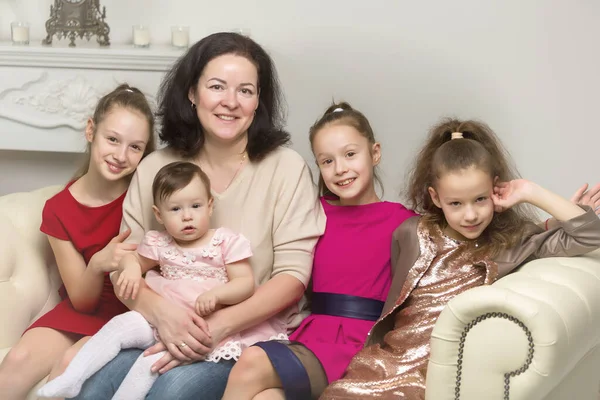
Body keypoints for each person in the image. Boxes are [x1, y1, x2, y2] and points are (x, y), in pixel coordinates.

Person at [71, 32, 326, 400]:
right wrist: (162, 314)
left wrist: (217, 326)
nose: (230, 102)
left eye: (246, 91)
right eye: (217, 86)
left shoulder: (286, 168)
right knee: (94, 387)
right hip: (162, 325)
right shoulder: (155, 168)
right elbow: (126, 263)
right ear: (192, 93)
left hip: (246, 335)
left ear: (258, 101)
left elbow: (292, 277)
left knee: (171, 391)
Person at [319, 118, 600, 399]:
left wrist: (530, 192)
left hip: (435, 376)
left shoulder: (513, 243)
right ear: (436, 197)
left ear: (496, 189)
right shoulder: (411, 232)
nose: (470, 215)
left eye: (480, 199)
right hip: (384, 363)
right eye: (456, 203)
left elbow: (592, 236)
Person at [38, 161, 289, 399]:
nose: (187, 216)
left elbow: (245, 283)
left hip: (206, 325)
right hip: (161, 320)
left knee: (150, 364)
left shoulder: (225, 241)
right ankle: (72, 378)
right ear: (159, 215)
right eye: (176, 209)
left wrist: (218, 295)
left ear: (210, 206)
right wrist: (131, 268)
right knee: (120, 326)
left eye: (195, 206)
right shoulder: (159, 243)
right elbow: (133, 259)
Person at [221, 102, 417, 400]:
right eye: (327, 161)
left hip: (362, 344)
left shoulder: (403, 221)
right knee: (266, 397)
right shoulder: (314, 212)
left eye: (350, 154)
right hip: (313, 336)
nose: (340, 169)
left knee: (252, 362)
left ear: (374, 153)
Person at [0, 84, 155, 400]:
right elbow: (83, 300)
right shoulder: (58, 209)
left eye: (135, 147)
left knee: (68, 368)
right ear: (90, 130)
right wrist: (98, 262)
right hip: (86, 306)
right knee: (16, 359)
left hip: (132, 310)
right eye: (112, 139)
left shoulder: (146, 194)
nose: (120, 155)